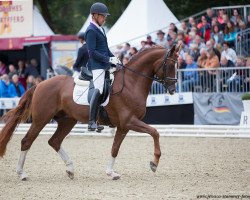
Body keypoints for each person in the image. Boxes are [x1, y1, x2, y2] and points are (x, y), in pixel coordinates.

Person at [85, 2, 121, 131]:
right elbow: (92, 52)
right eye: (102, 16)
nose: (104, 19)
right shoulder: (90, 30)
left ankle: (106, 117)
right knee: (99, 89)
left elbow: (105, 49)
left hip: (105, 65)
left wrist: (114, 59)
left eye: (105, 16)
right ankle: (91, 122)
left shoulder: (101, 29)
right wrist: (108, 59)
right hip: (97, 66)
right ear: (94, 15)